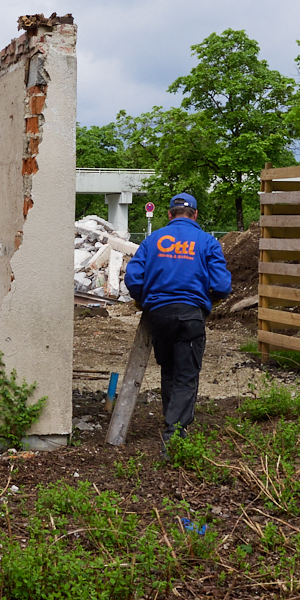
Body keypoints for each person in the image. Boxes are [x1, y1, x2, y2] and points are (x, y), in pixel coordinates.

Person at [124, 192, 231, 453]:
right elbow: (221, 285)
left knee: (170, 369)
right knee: (186, 373)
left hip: (158, 315)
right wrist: (209, 299)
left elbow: (133, 279)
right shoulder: (207, 242)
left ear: (170, 214)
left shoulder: (153, 241)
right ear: (195, 215)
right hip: (191, 315)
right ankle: (174, 436)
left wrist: (145, 299)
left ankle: (172, 422)